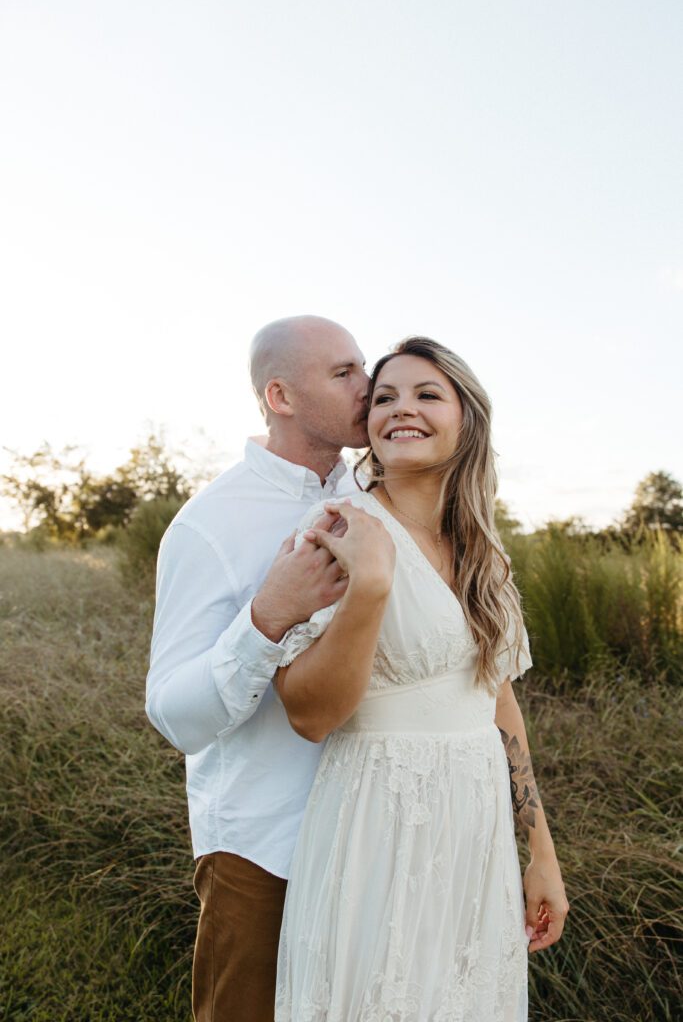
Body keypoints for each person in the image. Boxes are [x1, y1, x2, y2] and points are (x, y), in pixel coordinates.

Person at [274, 337, 569, 1021]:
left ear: (467, 418)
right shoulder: (336, 529)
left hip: (476, 825)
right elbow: (308, 715)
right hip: (376, 819)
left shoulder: (482, 548)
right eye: (384, 398)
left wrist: (541, 853)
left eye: (426, 394)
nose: (401, 409)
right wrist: (372, 585)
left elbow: (496, 699)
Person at [145, 314, 369, 1022]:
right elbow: (174, 716)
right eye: (344, 373)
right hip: (261, 845)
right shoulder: (208, 524)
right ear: (281, 396)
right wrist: (265, 618)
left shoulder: (375, 503)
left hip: (371, 833)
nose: (370, 386)